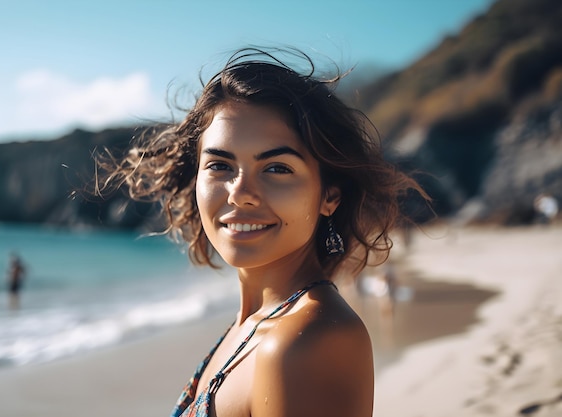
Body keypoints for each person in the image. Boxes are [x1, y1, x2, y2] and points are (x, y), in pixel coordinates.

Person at [99, 47, 427, 417]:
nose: (240, 193)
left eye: (276, 168)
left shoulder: (306, 342)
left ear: (329, 196)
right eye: (220, 165)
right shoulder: (256, 326)